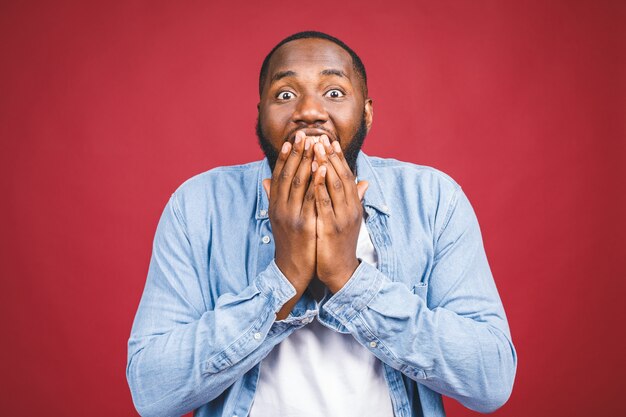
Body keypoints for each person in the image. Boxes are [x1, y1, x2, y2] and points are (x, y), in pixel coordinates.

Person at [126, 31, 517, 417]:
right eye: (285, 94)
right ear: (260, 113)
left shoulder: (433, 200)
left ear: (366, 112)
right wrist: (283, 279)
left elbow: (491, 381)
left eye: (333, 92)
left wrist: (349, 279)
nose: (310, 111)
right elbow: (152, 392)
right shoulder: (197, 206)